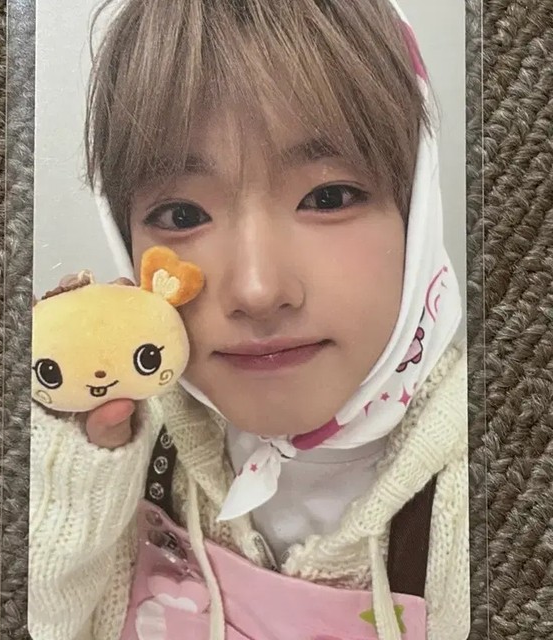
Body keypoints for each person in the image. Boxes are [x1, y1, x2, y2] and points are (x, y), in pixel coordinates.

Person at [29, 0, 468, 639]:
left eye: (329, 197)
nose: (258, 290)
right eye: (182, 215)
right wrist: (72, 472)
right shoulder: (131, 439)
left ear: (416, 212)